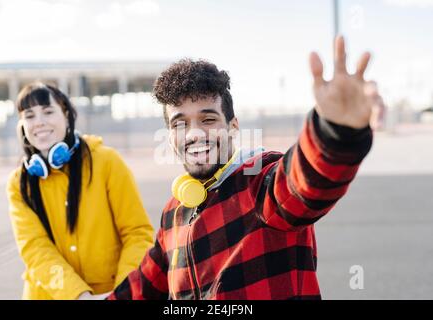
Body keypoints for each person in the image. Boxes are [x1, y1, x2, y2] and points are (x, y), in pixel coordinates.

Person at [108, 36, 380, 300]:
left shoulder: (260, 184)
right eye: (180, 123)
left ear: (233, 127)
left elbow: (304, 183)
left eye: (208, 119)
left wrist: (336, 132)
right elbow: (142, 287)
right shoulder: (174, 211)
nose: (194, 134)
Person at [7, 82, 154, 300]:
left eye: (48, 111)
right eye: (29, 116)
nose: (39, 122)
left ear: (66, 115)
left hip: (112, 292)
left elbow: (137, 234)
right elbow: (34, 248)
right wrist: (78, 295)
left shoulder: (107, 161)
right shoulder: (19, 182)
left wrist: (123, 292)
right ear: (22, 126)